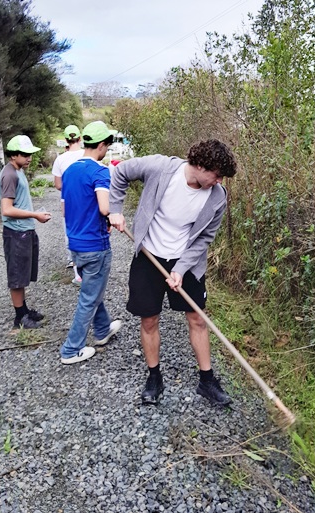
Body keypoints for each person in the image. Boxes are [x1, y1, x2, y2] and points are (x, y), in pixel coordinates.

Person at [109, 139, 237, 405]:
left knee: (197, 318)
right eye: (216, 175)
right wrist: (115, 211)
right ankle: (154, 377)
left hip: (186, 261)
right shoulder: (159, 168)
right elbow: (120, 173)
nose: (219, 181)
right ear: (201, 165)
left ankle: (207, 380)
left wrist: (180, 269)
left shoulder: (217, 196)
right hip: (149, 256)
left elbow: (204, 239)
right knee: (149, 320)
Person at [59, 121, 121, 365]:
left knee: (92, 289)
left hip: (75, 243)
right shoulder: (100, 171)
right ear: (102, 145)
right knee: (88, 298)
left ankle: (103, 329)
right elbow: (105, 207)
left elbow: (67, 207)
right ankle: (71, 349)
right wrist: (113, 215)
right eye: (107, 146)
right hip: (95, 244)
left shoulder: (69, 170)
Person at [0, 135, 52, 329]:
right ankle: (20, 317)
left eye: (30, 154)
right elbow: (7, 209)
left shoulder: (18, 170)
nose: (29, 158)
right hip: (15, 233)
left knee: (23, 274)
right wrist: (35, 215)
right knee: (17, 276)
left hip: (24, 231)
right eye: (25, 154)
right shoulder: (9, 175)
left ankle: (24, 310)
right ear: (14, 155)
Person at [51, 125, 85, 285]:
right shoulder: (87, 154)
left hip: (68, 201)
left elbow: (58, 185)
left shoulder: (61, 159)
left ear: (66, 140)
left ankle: (78, 273)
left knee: (71, 233)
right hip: (87, 199)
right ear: (80, 138)